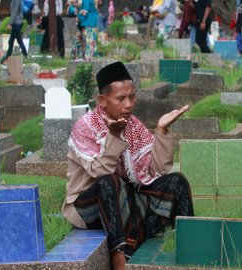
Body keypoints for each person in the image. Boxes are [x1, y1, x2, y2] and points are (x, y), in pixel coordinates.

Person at [62, 61, 195, 270]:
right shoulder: (85, 127)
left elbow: (157, 170)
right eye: (121, 98)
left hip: (125, 200)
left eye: (132, 97)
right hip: (88, 206)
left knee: (177, 181)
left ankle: (191, 249)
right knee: (109, 181)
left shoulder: (133, 124)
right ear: (102, 100)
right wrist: (113, 136)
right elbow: (99, 172)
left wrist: (161, 131)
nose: (129, 104)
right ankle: (119, 257)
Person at [0, 0, 28, 66]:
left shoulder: (17, 0)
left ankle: (25, 55)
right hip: (15, 23)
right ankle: (7, 57)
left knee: (19, 40)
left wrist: (10, 23)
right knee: (11, 41)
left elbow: (15, 12)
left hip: (16, 22)